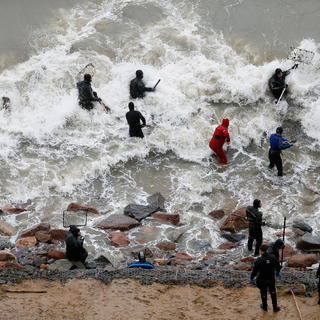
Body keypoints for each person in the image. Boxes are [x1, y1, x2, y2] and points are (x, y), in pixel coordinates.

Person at [250, 244, 281, 312]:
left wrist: (251, 278)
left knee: (263, 293)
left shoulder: (259, 260)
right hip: (271, 278)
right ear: (266, 250)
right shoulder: (273, 257)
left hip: (263, 279)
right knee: (273, 292)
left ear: (261, 251)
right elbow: (278, 266)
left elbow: (255, 271)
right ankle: (275, 307)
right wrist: (278, 272)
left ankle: (265, 306)